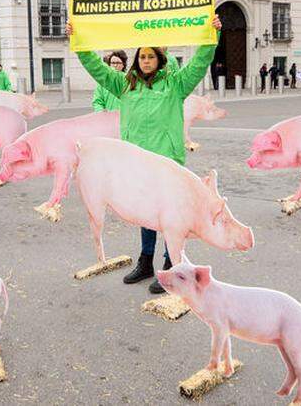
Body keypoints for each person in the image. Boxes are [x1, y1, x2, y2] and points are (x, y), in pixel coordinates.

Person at [71, 15, 221, 294]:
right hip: (137, 164)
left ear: (160, 60)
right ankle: (145, 261)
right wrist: (78, 41)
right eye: (142, 57)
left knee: (168, 217)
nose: (146, 61)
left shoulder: (176, 85)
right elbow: (96, 68)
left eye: (151, 56)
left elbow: (200, 64)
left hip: (167, 163)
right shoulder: (124, 85)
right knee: (145, 214)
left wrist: (212, 37)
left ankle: (168, 266)